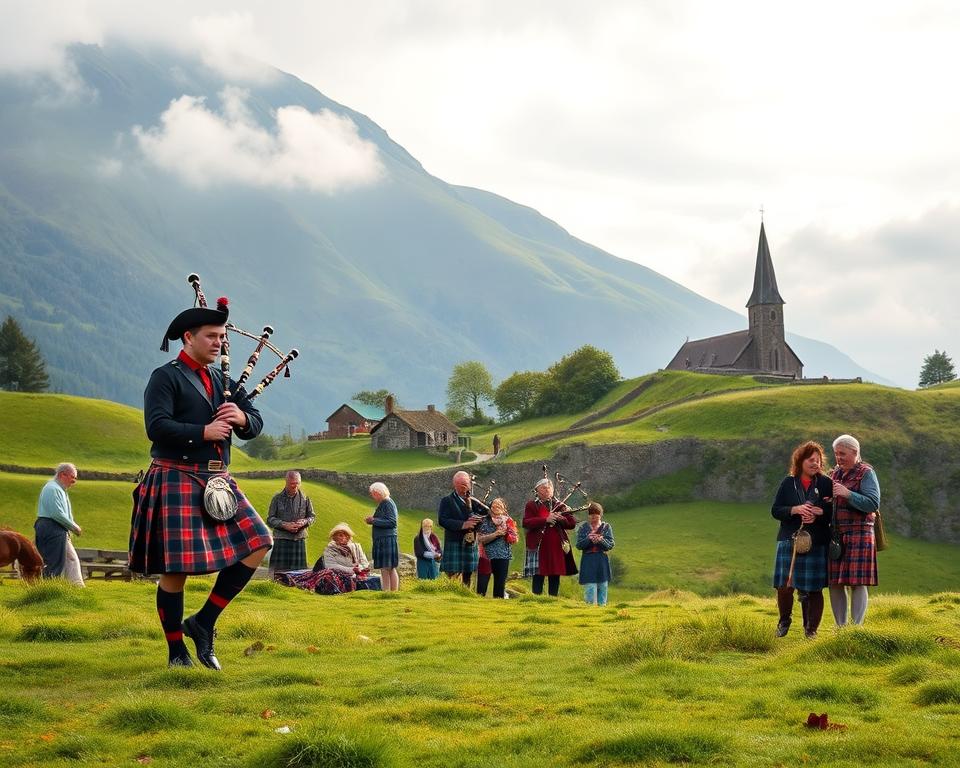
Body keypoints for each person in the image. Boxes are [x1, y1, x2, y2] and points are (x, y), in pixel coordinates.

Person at [129, 296, 273, 669]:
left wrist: (241, 417)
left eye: (222, 337)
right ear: (188, 338)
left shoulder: (221, 380)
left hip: (218, 480)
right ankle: (176, 651)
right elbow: (156, 427)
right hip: (175, 475)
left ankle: (203, 621)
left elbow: (255, 424)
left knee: (259, 542)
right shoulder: (166, 377)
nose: (220, 343)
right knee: (175, 570)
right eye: (211, 336)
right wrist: (203, 430)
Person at [770, 441, 833, 638]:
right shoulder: (789, 483)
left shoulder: (826, 484)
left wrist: (819, 514)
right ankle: (784, 620)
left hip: (816, 542)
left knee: (813, 589)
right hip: (790, 539)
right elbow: (775, 510)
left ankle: (811, 630)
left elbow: (833, 513)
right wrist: (794, 510)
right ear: (800, 461)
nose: (815, 463)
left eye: (818, 460)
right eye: (811, 460)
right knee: (784, 586)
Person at [828, 434, 881, 627]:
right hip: (837, 535)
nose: (838, 458)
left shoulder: (866, 473)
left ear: (855, 452)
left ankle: (856, 627)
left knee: (857, 582)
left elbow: (873, 503)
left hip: (860, 534)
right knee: (835, 582)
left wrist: (847, 494)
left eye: (842, 453)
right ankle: (840, 628)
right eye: (836, 454)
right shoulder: (834, 473)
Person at [523, 478, 577, 596]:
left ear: (552, 490)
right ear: (537, 490)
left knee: (555, 572)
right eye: (543, 487)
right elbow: (526, 522)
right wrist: (545, 519)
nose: (547, 489)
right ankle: (536, 598)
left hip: (556, 544)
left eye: (549, 487)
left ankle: (553, 599)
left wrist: (560, 518)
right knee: (538, 573)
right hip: (539, 544)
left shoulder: (561, 506)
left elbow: (572, 523)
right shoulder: (532, 505)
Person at [34, 463, 84, 587]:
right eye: (73, 477)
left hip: (57, 528)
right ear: (63, 474)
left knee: (71, 559)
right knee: (54, 562)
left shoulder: (58, 489)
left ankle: (77, 587)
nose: (74, 481)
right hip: (52, 527)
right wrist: (73, 527)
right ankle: (50, 589)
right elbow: (56, 513)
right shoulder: (52, 489)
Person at [266, 471, 315, 576]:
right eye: (292, 483)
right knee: (278, 576)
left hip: (299, 539)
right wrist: (284, 524)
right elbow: (270, 519)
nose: (295, 486)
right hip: (281, 539)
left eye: (297, 483)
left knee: (299, 575)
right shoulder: (277, 499)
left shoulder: (306, 499)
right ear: (286, 482)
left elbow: (312, 517)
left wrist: (305, 521)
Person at [437, 470, 482, 586]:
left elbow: (484, 518)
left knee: (468, 573)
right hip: (454, 540)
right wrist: (463, 524)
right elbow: (442, 520)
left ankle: (467, 594)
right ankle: (452, 592)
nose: (465, 487)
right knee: (451, 573)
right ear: (455, 485)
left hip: (470, 541)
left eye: (466, 484)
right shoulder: (447, 501)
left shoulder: (474, 502)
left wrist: (477, 521)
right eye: (461, 484)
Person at [475, 498, 518, 598]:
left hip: (503, 556)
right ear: (490, 507)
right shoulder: (484, 520)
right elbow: (479, 539)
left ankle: (498, 607)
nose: (497, 506)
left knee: (500, 586)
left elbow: (514, 539)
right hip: (485, 556)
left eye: (500, 505)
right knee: (481, 586)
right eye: (494, 504)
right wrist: (495, 534)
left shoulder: (509, 521)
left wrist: (507, 534)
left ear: (504, 509)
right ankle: (478, 606)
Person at [576, 502, 614, 606]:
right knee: (590, 587)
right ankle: (589, 608)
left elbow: (610, 545)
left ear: (600, 515)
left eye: (595, 515)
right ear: (588, 515)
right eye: (591, 515)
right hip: (588, 560)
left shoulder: (606, 527)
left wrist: (601, 540)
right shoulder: (583, 528)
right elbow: (579, 545)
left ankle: (602, 608)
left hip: (602, 560)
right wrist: (588, 539)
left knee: (603, 586)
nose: (593, 518)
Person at [365, 481, 399, 591]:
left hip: (386, 539)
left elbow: (392, 522)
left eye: (373, 494)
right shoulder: (386, 503)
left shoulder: (387, 503)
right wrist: (374, 521)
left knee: (387, 568)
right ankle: (389, 592)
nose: (372, 496)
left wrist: (374, 520)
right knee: (387, 568)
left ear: (378, 492)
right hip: (384, 539)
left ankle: (389, 592)